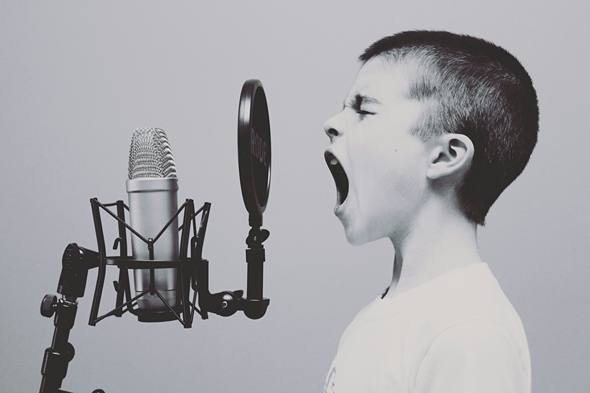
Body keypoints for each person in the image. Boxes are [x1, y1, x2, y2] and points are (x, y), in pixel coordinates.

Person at [323, 30, 538, 393]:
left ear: (445, 155)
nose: (331, 123)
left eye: (364, 109)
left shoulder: (469, 333)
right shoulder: (382, 317)